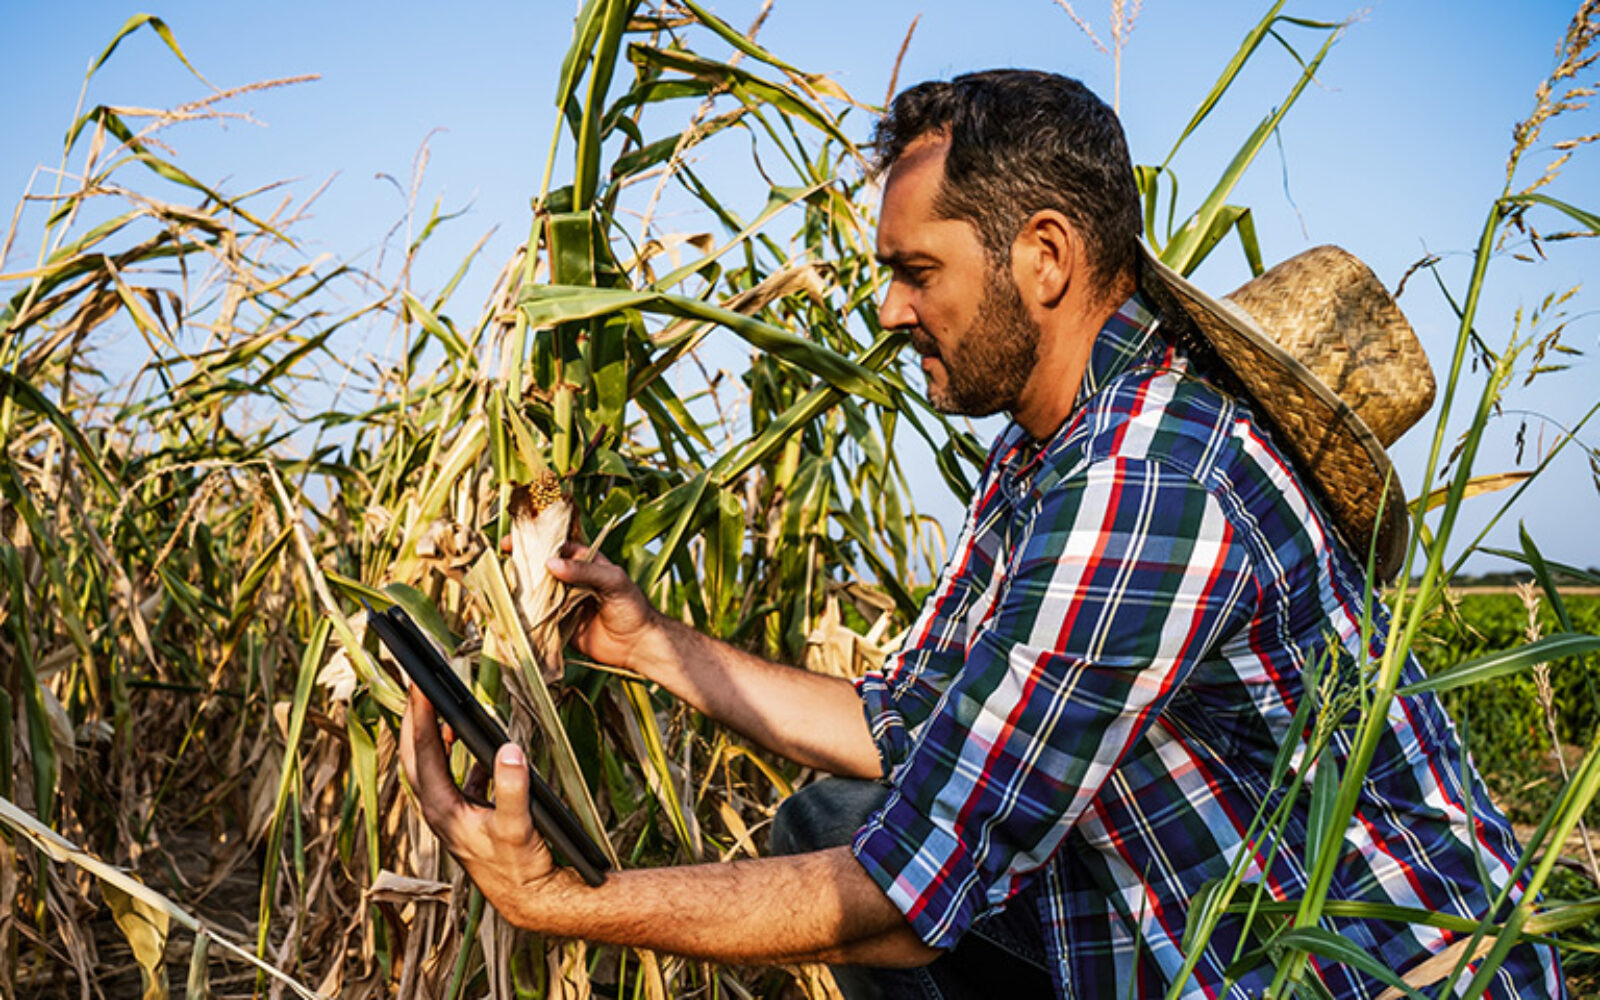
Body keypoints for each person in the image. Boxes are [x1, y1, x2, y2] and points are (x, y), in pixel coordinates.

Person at [401, 70, 1562, 998]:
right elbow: (911, 720)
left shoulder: (1146, 479)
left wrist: (571, 901)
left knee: (886, 870)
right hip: (1199, 924)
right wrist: (650, 642)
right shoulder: (1042, 453)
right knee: (833, 813)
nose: (887, 309)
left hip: (1363, 972)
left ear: (1044, 257)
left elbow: (914, 894)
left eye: (916, 271)